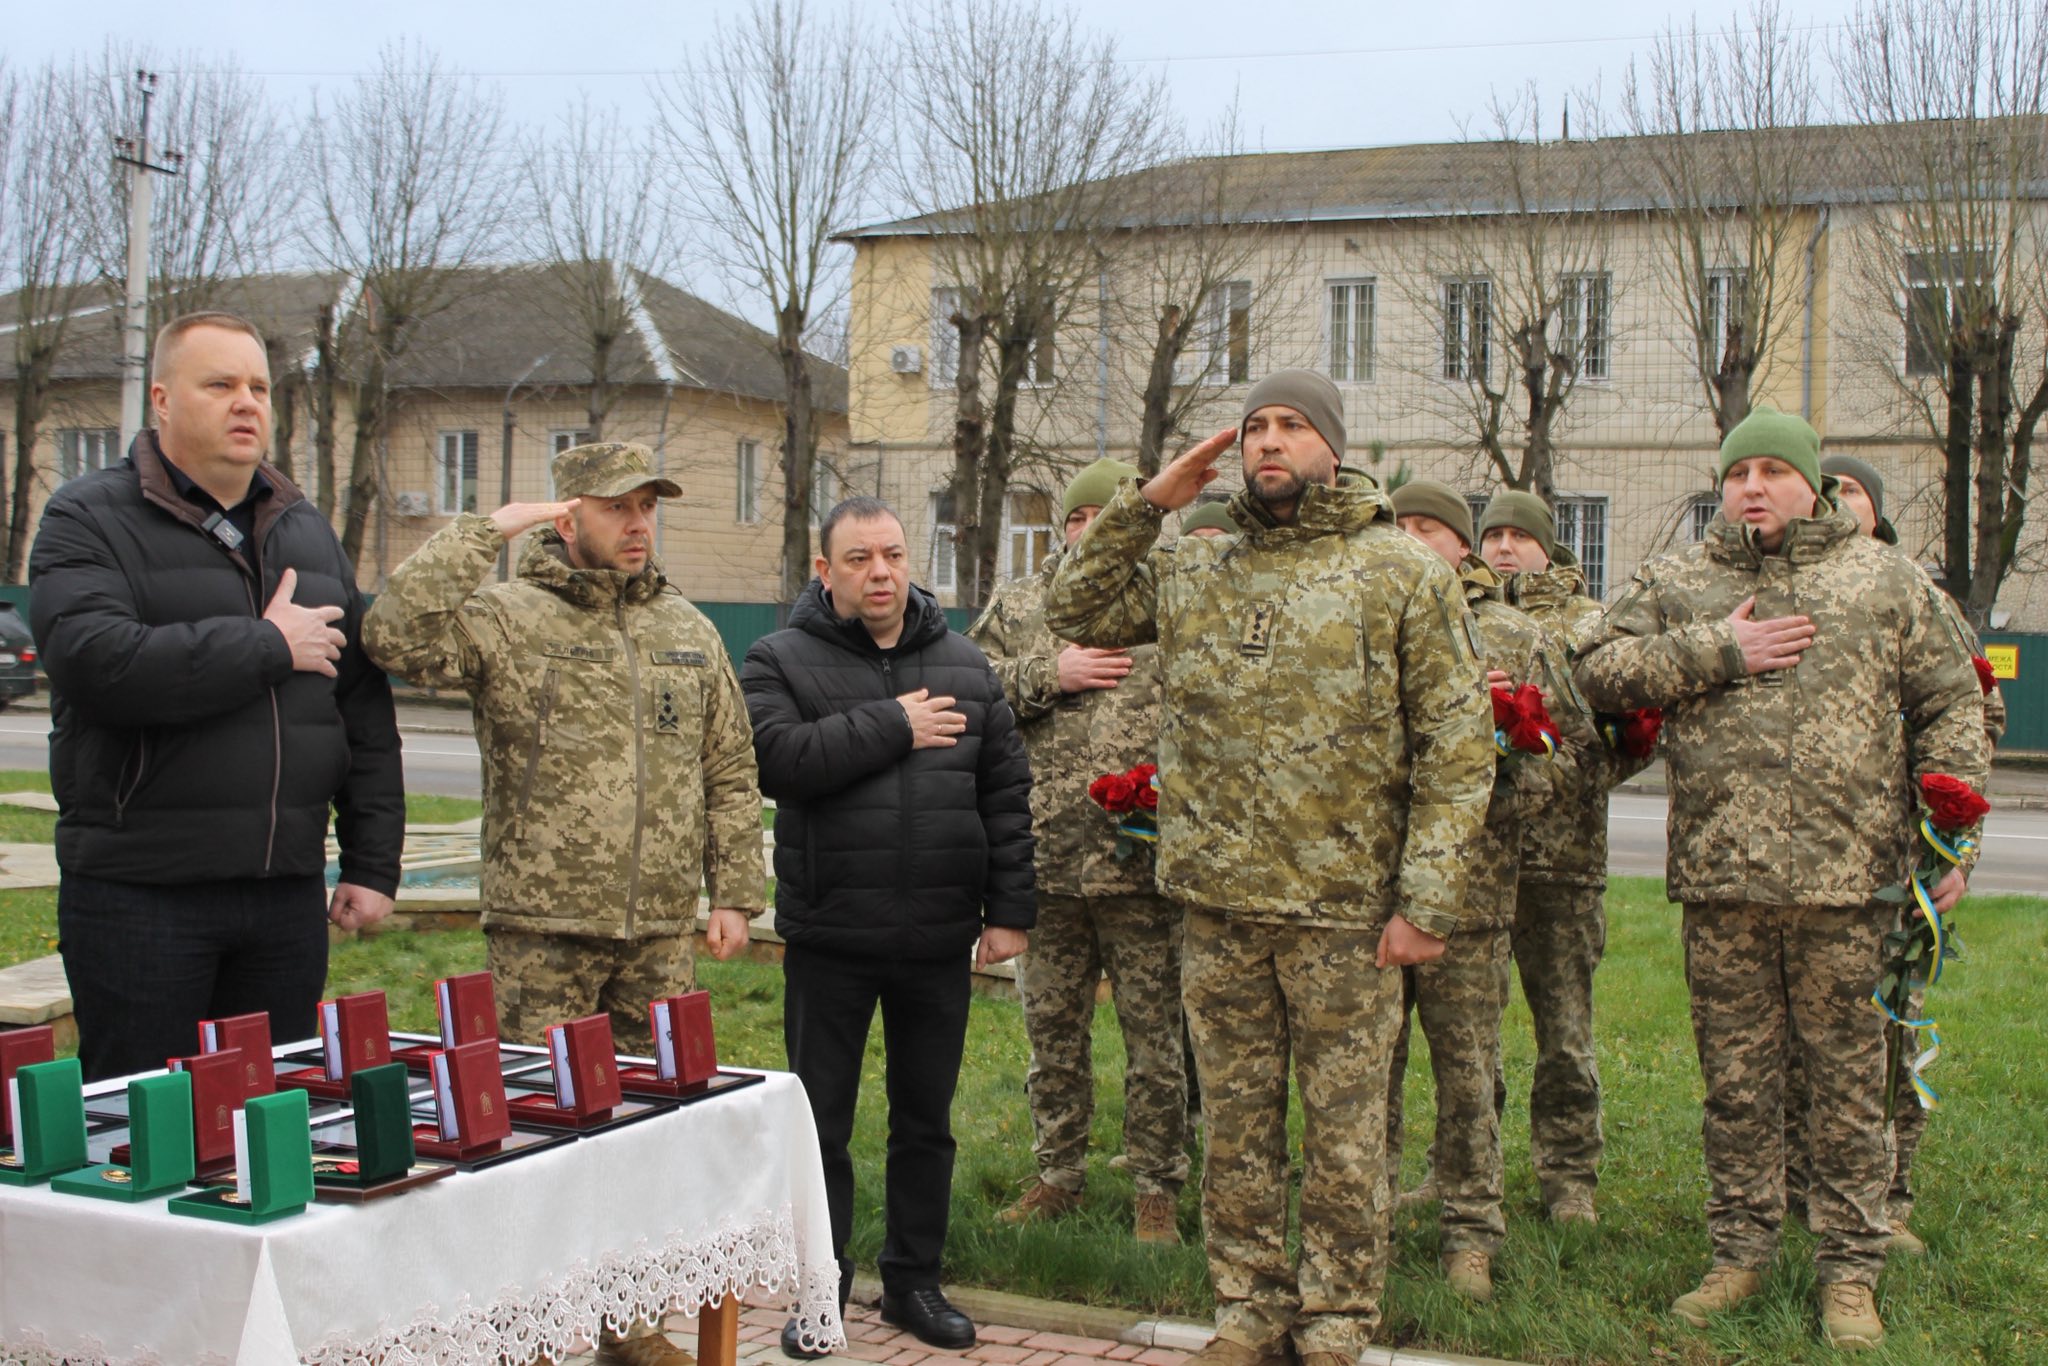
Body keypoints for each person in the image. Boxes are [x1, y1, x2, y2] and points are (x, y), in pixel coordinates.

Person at [1044, 370, 1493, 1366]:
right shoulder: (1201, 565)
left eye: (1291, 427)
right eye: (1254, 428)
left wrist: (1425, 899)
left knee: (1342, 1141)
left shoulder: (1400, 572)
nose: (1268, 443)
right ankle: (1247, 1311)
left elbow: (1459, 746)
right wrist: (1150, 500)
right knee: (1238, 1135)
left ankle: (1334, 1326)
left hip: (1345, 912)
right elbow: (1072, 606)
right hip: (1217, 906)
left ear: (1331, 447)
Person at [1574, 407, 1989, 1351]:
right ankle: (1740, 1251)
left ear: (1812, 484)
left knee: (1849, 1086)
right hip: (1725, 884)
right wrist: (1715, 650)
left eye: (1771, 470)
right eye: (1736, 472)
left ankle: (1850, 1269)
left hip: (1854, 886)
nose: (1751, 486)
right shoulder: (1685, 579)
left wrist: (1950, 843)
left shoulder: (1883, 579)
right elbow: (1589, 669)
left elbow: (1951, 705)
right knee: (1737, 1084)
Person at [365, 441, 766, 1366]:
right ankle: (532, 1334)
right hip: (543, 927)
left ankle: (626, 1323)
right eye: (617, 506)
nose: (637, 524)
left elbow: (730, 768)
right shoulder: (508, 618)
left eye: (648, 507)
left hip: (658, 933)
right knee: (537, 1130)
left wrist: (736, 891)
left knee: (638, 1132)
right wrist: (481, 531)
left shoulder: (688, 629)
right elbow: (393, 633)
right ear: (569, 514)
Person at [29, 311, 403, 1083]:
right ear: (161, 399)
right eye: (221, 384)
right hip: (142, 896)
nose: (247, 402)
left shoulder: (305, 530)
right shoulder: (86, 517)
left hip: (283, 900)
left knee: (262, 1122)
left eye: (259, 387)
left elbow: (361, 711)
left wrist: (372, 862)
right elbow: (96, 663)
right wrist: (267, 646)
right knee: (144, 1133)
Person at [743, 496, 1035, 1357]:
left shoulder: (967, 666)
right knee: (820, 1124)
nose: (881, 572)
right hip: (832, 933)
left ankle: (914, 1281)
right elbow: (779, 761)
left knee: (925, 1122)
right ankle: (820, 1294)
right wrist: (895, 723)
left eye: (894, 554)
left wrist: (1010, 912)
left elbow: (1006, 795)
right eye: (860, 557)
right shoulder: (778, 659)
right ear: (823, 569)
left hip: (938, 937)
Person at [1773, 454, 2006, 1256]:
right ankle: (1804, 1189)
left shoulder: (1919, 599)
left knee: (1890, 1035)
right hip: (1810, 858)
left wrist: (1955, 851)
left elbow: (1974, 721)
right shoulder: (1788, 595)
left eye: (1853, 492)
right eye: (1827, 488)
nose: (1838, 502)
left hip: (1901, 851)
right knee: (1809, 1045)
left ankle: (1888, 1197)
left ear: (1877, 509)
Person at [969, 457, 1187, 1246]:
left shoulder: (1172, 603)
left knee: (1155, 1040)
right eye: (1078, 520)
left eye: (1107, 518)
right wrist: (1043, 675)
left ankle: (1157, 1185)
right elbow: (966, 691)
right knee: (1051, 1035)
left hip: (1143, 867)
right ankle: (1058, 1172)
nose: (1091, 533)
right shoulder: (1023, 605)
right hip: (1045, 864)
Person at [1387, 481, 1596, 1301]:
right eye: (1398, 524)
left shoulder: (1513, 633)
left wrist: (1494, 773)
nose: (1410, 537)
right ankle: (1365, 1210)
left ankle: (1471, 1227)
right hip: (1366, 892)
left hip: (1469, 898)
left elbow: (1570, 758)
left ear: (1464, 547)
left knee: (1467, 1068)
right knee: (1369, 1067)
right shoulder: (1364, 615)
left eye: (1428, 527)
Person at [1476, 489, 1630, 1224]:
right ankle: (1466, 1173)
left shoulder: (1588, 625)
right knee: (1472, 1035)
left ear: (1548, 546)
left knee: (1563, 1032)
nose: (1504, 547)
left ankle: (1570, 1179)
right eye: (1493, 534)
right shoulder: (1457, 617)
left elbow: (1613, 739)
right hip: (1476, 863)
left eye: (1518, 535)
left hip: (1560, 862)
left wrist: (1553, 774)